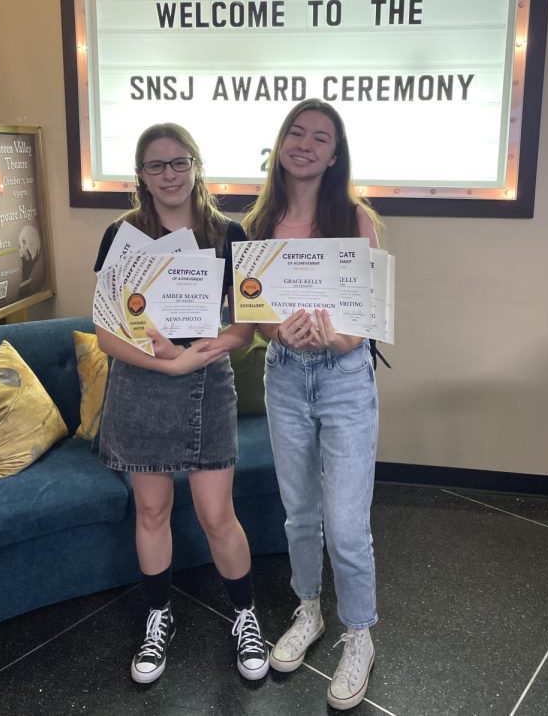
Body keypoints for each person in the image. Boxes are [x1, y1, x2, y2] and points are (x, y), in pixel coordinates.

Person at [94, 123, 268, 686]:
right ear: (140, 176)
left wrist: (218, 344)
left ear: (195, 165)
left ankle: (245, 616)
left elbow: (245, 326)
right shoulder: (121, 235)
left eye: (178, 163)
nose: (168, 175)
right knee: (151, 512)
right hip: (141, 385)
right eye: (155, 166)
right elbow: (107, 334)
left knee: (218, 515)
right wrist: (168, 363)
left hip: (207, 384)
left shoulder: (230, 233)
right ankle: (157, 616)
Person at [241, 99, 383, 711]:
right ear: (280, 144)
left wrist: (340, 337)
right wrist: (281, 332)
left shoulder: (355, 220)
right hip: (285, 378)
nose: (304, 144)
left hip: (345, 378)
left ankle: (359, 633)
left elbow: (365, 320)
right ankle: (309, 610)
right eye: (295, 133)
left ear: (334, 154)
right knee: (299, 514)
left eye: (319, 137)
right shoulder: (259, 223)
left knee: (348, 525)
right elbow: (254, 316)